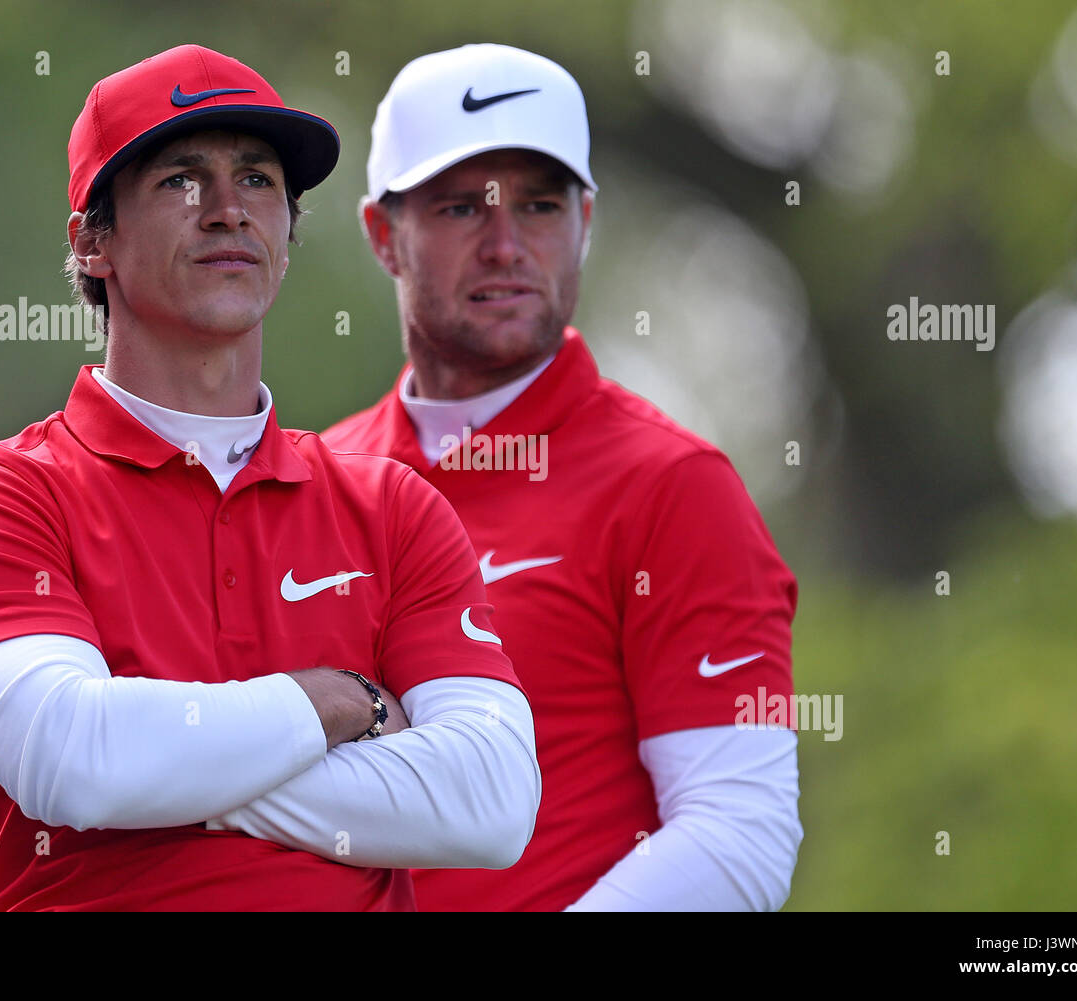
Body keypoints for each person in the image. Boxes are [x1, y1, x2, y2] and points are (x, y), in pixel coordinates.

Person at [0, 44, 540, 912]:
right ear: (93, 242)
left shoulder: (394, 508)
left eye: (258, 180)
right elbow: (73, 765)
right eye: (180, 180)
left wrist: (168, 775)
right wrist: (335, 701)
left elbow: (491, 803)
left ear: (286, 232)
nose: (227, 211)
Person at [318, 43, 803, 911]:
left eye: (539, 205)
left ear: (586, 219)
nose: (506, 245)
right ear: (383, 235)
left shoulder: (676, 486)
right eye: (463, 207)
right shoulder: (310, 481)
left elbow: (741, 834)